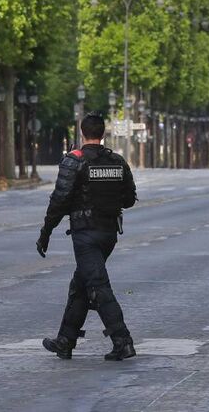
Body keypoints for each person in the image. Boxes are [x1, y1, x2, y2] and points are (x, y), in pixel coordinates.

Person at [38, 113, 138, 361]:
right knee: (81, 285)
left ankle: (123, 341)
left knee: (98, 287)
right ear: (103, 134)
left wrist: (46, 232)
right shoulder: (117, 161)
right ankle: (65, 340)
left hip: (85, 234)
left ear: (82, 133)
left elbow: (59, 201)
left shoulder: (75, 160)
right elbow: (129, 199)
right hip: (109, 233)